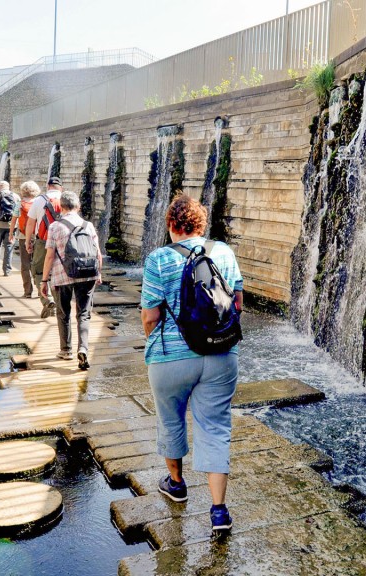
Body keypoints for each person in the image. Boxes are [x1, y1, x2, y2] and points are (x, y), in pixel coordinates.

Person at [140, 194, 244, 534]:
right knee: (215, 427)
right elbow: (237, 304)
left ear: (171, 224)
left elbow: (150, 316)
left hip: (171, 358)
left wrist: (156, 344)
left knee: (171, 420)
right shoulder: (223, 252)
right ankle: (219, 512)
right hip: (220, 356)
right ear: (201, 223)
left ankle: (176, 484)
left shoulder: (159, 259)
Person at [40, 191, 102, 369]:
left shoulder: (55, 226)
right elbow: (97, 253)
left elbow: (49, 256)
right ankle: (83, 348)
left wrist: (44, 280)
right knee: (84, 313)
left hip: (62, 275)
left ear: (61, 207)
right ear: (78, 206)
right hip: (88, 273)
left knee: (63, 312)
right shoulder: (88, 225)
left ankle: (66, 350)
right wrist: (98, 273)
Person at [26, 177, 63, 318]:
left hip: (43, 241)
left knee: (38, 271)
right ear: (61, 187)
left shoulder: (39, 200)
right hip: (63, 242)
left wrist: (28, 241)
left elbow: (30, 223)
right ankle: (58, 305)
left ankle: (47, 300)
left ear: (48, 186)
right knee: (59, 273)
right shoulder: (66, 199)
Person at [16, 181, 40, 298]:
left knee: (25, 265)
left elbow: (14, 218)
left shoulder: (19, 204)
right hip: (37, 236)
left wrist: (11, 233)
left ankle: (27, 292)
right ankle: (41, 290)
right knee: (37, 264)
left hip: (23, 236)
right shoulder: (39, 203)